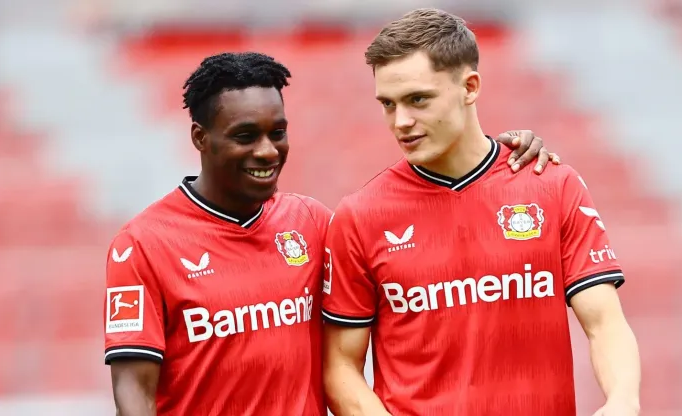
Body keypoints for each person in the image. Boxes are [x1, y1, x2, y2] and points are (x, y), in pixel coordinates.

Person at [103, 51, 558, 416]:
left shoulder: (315, 224)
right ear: (200, 138)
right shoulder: (143, 243)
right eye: (245, 135)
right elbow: (133, 391)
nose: (267, 150)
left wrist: (501, 155)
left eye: (277, 132)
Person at [321, 8, 640, 416]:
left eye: (418, 99)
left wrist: (623, 401)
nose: (401, 121)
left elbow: (605, 323)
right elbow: (340, 366)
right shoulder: (360, 216)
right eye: (388, 104)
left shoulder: (552, 185)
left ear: (470, 86)